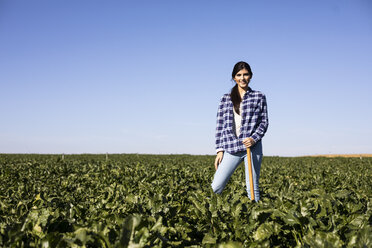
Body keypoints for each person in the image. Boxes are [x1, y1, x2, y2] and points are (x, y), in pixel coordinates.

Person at [211, 61, 269, 202]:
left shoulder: (259, 96)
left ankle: (255, 216)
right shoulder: (225, 99)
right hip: (231, 146)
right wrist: (219, 149)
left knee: (252, 188)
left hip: (252, 148)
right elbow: (220, 125)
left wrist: (254, 139)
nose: (242, 78)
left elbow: (264, 122)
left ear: (251, 76)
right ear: (234, 77)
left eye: (245, 74)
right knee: (216, 186)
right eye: (239, 75)